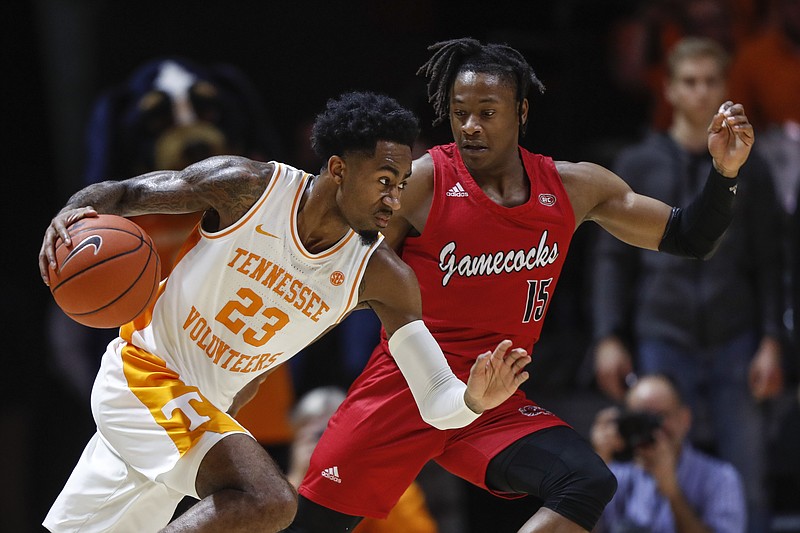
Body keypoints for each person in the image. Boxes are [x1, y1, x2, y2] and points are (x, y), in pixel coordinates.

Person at [284, 37, 754, 533]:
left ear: (521, 111)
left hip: (496, 398)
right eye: (460, 112)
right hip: (407, 388)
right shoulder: (422, 182)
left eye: (487, 111)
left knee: (587, 480)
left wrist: (725, 174)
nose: (470, 125)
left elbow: (690, 236)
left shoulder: (572, 188)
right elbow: (351, 275)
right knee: (311, 526)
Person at [38, 91, 533, 533]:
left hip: (200, 411)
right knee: (269, 501)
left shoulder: (381, 277)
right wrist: (70, 216)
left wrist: (472, 399)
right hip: (144, 374)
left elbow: (435, 400)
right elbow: (125, 195)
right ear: (338, 169)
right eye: (384, 179)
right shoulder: (249, 188)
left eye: (402, 183)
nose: (394, 199)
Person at [591, 37, 783, 533]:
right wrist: (608, 335)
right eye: (689, 82)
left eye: (711, 82)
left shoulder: (752, 165)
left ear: (725, 89)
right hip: (663, 331)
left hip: (734, 333)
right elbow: (612, 258)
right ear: (670, 90)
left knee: (747, 475)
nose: (700, 93)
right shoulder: (638, 161)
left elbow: (770, 259)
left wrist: (772, 339)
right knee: (650, 469)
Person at [591, 374, 746, 533]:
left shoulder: (721, 478)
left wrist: (672, 493)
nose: (653, 431)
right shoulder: (615, 474)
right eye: (641, 419)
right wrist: (595, 470)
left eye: (660, 417)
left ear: (685, 419)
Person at [286, 386, 438, 533]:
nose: (322, 444)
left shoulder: (392, 489)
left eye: (329, 434)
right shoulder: (279, 491)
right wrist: (299, 479)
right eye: (317, 435)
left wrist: (362, 486)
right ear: (296, 440)